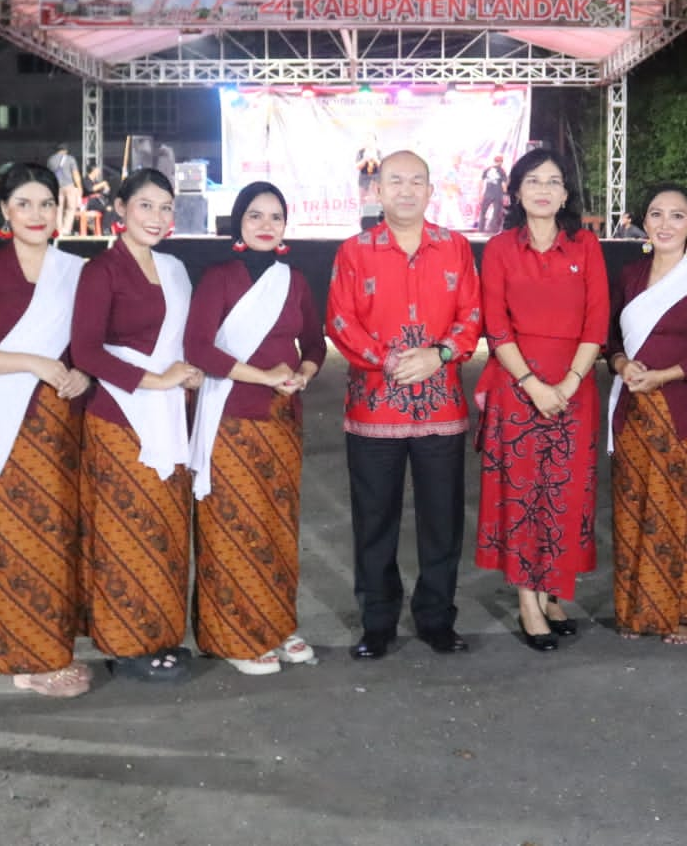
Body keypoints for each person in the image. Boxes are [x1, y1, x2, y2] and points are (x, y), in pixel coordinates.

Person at [325, 150, 483, 660]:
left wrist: (437, 355)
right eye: (396, 181)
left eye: (417, 181)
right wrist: (390, 360)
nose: (407, 190)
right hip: (374, 409)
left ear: (431, 191)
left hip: (441, 408)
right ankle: (378, 622)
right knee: (375, 521)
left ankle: (437, 618)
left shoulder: (456, 248)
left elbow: (472, 315)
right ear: (378, 191)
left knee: (442, 520)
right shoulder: (354, 251)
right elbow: (340, 321)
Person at [0, 164, 93, 698]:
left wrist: (83, 371)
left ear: (61, 212)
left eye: (46, 204)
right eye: (25, 204)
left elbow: (89, 343)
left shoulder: (78, 270)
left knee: (57, 536)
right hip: (8, 418)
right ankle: (24, 659)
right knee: (16, 538)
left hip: (64, 424)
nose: (37, 215)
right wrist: (34, 362)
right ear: (6, 212)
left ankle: (54, 646)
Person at [185, 182, 326, 675]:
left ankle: (276, 623)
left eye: (275, 217)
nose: (266, 225)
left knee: (278, 528)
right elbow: (198, 348)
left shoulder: (296, 281)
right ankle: (234, 635)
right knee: (233, 527)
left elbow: (315, 342)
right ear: (238, 223)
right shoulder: (220, 278)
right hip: (232, 419)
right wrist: (262, 375)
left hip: (282, 422)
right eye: (255, 215)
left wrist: (305, 372)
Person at [70, 168, 202, 683]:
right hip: (121, 417)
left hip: (170, 416)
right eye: (145, 205)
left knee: (166, 531)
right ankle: (125, 645)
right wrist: (156, 379)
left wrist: (186, 372)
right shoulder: (101, 271)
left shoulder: (174, 268)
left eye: (165, 207)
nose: (157, 217)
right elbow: (85, 350)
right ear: (121, 208)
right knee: (127, 533)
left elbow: (182, 340)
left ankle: (162, 635)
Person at [474, 149, 609, 651]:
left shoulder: (585, 246)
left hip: (575, 389)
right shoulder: (501, 248)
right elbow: (496, 324)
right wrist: (533, 385)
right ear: (516, 192)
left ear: (566, 194)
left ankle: (553, 591)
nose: (544, 190)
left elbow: (597, 320)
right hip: (518, 389)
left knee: (566, 497)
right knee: (525, 498)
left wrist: (570, 383)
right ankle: (528, 601)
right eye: (534, 181)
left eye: (554, 181)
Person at [607, 184, 687, 645]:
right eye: (656, 214)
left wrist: (665, 375)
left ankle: (684, 612)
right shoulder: (630, 275)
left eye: (677, 215)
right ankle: (639, 609)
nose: (665, 224)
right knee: (634, 509)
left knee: (685, 513)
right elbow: (613, 342)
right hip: (634, 412)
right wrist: (622, 365)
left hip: (686, 413)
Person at [47, 142, 83, 237]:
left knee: (58, 208)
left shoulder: (50, 160)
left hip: (56, 187)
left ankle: (58, 230)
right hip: (69, 186)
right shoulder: (70, 159)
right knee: (71, 208)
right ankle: (66, 230)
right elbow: (75, 175)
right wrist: (79, 187)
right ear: (66, 150)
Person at [476, 155, 508, 233]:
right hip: (498, 194)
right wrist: (505, 194)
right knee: (496, 213)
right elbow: (504, 184)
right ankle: (492, 230)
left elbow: (481, 182)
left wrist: (480, 194)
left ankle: (480, 229)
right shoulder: (502, 171)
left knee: (483, 212)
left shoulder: (487, 169)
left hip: (488, 194)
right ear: (501, 162)